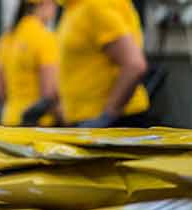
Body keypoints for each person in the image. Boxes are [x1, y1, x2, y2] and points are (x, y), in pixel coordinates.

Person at [58, 0, 149, 128]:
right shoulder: (74, 8)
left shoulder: (96, 5)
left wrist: (108, 115)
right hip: (86, 121)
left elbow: (134, 65)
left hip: (113, 124)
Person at [0, 0, 61, 127]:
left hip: (9, 120)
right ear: (45, 3)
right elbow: (49, 92)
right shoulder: (45, 38)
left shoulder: (6, 38)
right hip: (38, 125)